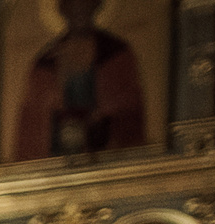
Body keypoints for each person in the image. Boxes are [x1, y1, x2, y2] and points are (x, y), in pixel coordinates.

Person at [15, 0, 147, 159]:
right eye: (73, 4)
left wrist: (101, 114)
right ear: (62, 9)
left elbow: (129, 106)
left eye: (85, 3)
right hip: (58, 164)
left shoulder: (115, 53)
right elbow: (33, 124)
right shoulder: (45, 63)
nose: (79, 10)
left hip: (106, 159)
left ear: (96, 6)